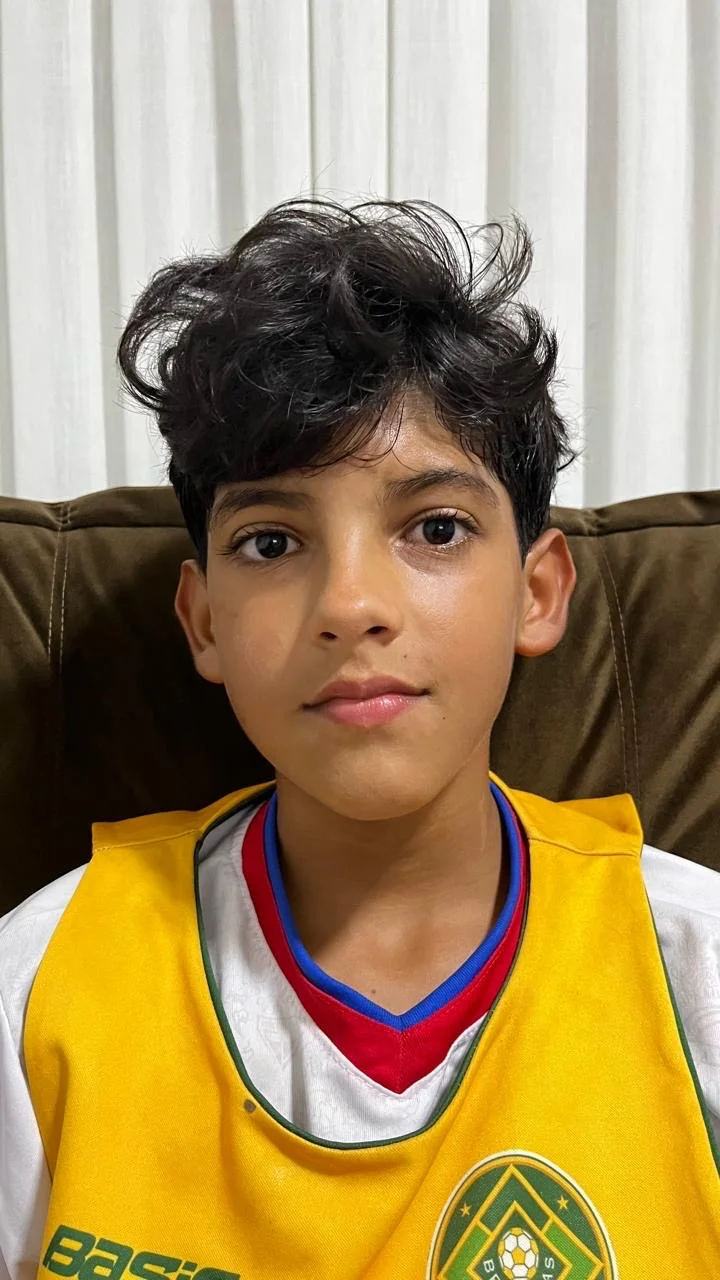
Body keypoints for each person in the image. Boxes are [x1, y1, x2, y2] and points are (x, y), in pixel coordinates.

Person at [1, 200, 719, 1278]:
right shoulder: (35, 985)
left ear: (538, 593)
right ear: (203, 622)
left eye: (435, 528)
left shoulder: (696, 971)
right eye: (272, 541)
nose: (350, 604)